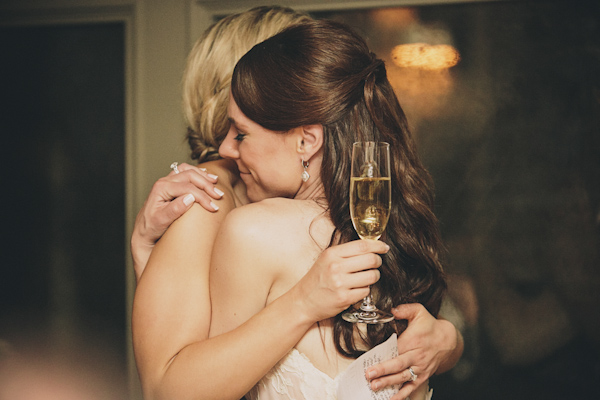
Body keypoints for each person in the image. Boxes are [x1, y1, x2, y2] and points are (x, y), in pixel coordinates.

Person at [132, 6, 462, 400]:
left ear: (307, 140)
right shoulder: (227, 209)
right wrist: (302, 303)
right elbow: (171, 384)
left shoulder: (378, 226)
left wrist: (447, 343)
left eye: (241, 132)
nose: (224, 146)